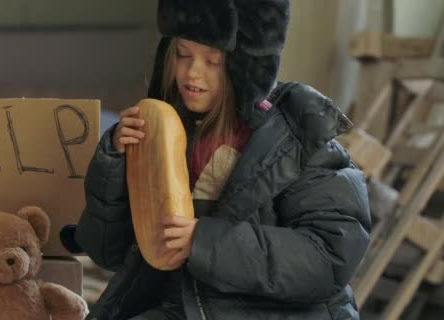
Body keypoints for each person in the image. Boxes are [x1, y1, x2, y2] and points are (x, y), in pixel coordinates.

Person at [64, 0, 371, 319]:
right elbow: (105, 252)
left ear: (247, 66)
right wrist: (115, 163)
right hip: (184, 307)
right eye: (183, 54)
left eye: (213, 61)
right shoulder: (167, 132)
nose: (192, 72)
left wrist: (204, 242)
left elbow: (329, 258)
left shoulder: (300, 140)